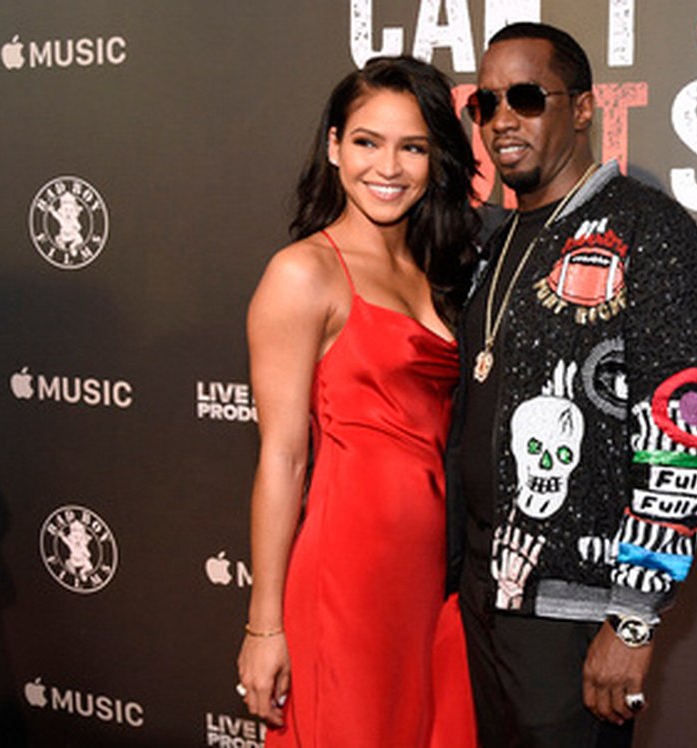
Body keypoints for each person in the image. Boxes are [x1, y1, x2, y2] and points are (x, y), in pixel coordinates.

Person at [445, 22, 697, 747]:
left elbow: (686, 433)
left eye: (528, 97)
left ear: (581, 108)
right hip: (486, 585)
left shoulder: (651, 232)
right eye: (487, 102)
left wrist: (633, 617)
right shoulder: (493, 239)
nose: (504, 118)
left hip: (576, 605)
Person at [236, 56, 480, 748]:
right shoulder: (304, 273)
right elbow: (282, 459)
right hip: (350, 571)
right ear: (335, 146)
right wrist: (264, 625)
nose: (390, 167)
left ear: (437, 159)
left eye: (413, 147)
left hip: (444, 576)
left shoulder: (443, 267)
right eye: (368, 142)